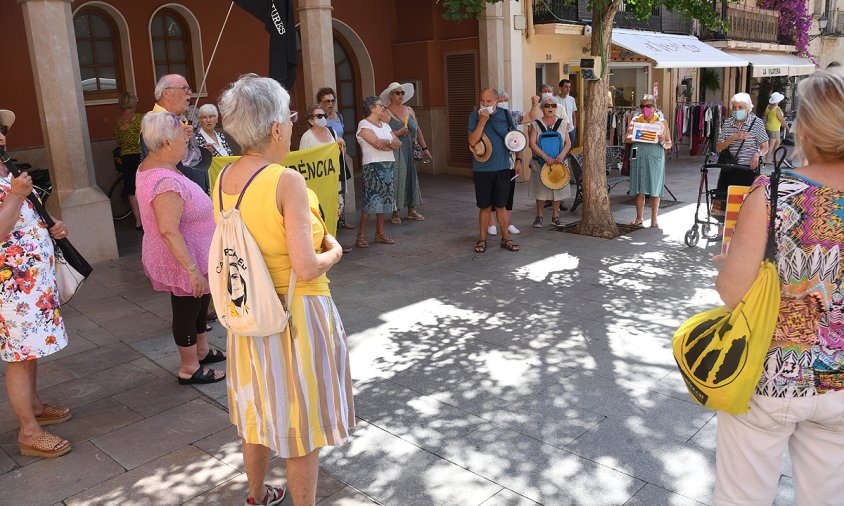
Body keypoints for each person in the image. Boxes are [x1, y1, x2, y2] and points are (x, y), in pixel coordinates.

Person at [216, 74, 353, 506]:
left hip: (248, 314)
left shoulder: (223, 178)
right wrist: (335, 249)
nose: (293, 124)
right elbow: (307, 265)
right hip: (295, 315)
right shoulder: (286, 181)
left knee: (257, 413)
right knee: (301, 423)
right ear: (276, 128)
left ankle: (256, 496)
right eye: (290, 117)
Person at [713, 69, 844, 506]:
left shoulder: (774, 192)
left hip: (770, 374)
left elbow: (733, 292)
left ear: (804, 127)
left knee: (741, 497)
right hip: (841, 381)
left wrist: (735, 264)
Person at [0, 109, 72, 459]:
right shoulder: (9, 181)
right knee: (19, 355)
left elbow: (25, 214)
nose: (1, 138)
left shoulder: (7, 169)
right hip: (10, 287)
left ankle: (36, 404)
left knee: (31, 350)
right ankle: (28, 431)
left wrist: (51, 223)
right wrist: (15, 194)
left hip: (31, 284)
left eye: (1, 131)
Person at [136, 112, 225, 386]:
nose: (186, 142)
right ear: (165, 143)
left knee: (199, 305)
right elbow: (168, 229)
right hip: (182, 257)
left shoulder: (159, 164)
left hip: (194, 252)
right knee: (186, 309)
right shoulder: (165, 181)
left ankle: (201, 350)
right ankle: (189, 367)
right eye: (181, 138)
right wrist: (192, 270)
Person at [468, 88, 520, 253]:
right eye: (482, 100)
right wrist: (482, 121)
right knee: (484, 206)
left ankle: (506, 239)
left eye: (488, 101)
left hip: (502, 168)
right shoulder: (475, 116)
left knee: (500, 205)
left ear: (497, 101)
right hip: (481, 169)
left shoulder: (506, 114)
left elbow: (515, 138)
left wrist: (518, 160)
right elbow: (472, 140)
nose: (484, 104)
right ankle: (482, 239)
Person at [141, 74, 210, 193]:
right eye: (185, 88)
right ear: (167, 93)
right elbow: (190, 162)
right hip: (177, 197)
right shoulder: (156, 124)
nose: (189, 93)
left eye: (190, 89)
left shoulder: (180, 119)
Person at [300, 104, 353, 254]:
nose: (323, 118)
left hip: (333, 180)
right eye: (319, 116)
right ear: (311, 120)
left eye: (324, 115)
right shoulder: (307, 137)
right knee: (319, 213)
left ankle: (332, 242)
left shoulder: (332, 132)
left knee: (336, 210)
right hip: (316, 183)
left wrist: (342, 146)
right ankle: (320, 243)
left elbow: (339, 155)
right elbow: (304, 159)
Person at [381, 82, 430, 224]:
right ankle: (395, 212)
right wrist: (398, 132)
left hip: (409, 148)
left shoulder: (409, 109)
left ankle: (411, 210)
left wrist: (424, 148)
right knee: (397, 179)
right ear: (390, 95)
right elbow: (383, 136)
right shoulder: (385, 113)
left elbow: (418, 129)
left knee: (411, 178)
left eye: (402, 93)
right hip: (395, 151)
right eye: (397, 93)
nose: (400, 95)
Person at [355, 96, 401, 247]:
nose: (383, 108)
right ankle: (361, 236)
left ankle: (380, 233)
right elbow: (376, 144)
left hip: (388, 165)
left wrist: (387, 142)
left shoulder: (386, 126)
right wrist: (390, 144)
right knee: (371, 200)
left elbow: (398, 143)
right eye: (380, 105)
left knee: (384, 200)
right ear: (372, 108)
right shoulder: (364, 124)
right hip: (373, 166)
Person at [625, 94, 672, 228]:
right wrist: (636, 135)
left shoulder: (661, 122)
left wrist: (662, 141)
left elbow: (669, 143)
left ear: (655, 107)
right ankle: (639, 217)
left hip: (655, 159)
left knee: (654, 188)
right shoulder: (635, 120)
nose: (645, 108)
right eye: (642, 106)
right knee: (639, 188)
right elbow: (627, 139)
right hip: (639, 157)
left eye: (648, 106)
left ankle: (654, 219)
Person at [529, 94, 572, 227]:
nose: (550, 108)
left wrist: (561, 155)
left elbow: (568, 143)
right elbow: (532, 143)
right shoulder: (536, 124)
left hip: (558, 162)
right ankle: (539, 217)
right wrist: (545, 157)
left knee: (557, 190)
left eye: (553, 106)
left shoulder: (563, 123)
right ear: (542, 108)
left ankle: (555, 216)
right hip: (540, 163)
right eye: (547, 106)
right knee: (540, 191)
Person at [715, 92, 769, 193]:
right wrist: (734, 137)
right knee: (725, 201)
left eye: (740, 107)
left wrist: (758, 154)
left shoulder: (757, 123)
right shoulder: (727, 123)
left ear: (748, 108)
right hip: (729, 168)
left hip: (748, 169)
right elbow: (718, 147)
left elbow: (765, 146)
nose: (737, 110)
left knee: (744, 200)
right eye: (734, 107)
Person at [317, 87, 354, 230]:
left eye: (333, 100)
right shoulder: (320, 118)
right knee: (331, 190)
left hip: (340, 156)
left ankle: (342, 219)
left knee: (342, 188)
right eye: (327, 101)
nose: (330, 104)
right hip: (327, 160)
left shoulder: (339, 116)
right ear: (320, 102)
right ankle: (331, 221)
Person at [113, 92, 144, 230]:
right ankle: (146, 218)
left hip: (126, 157)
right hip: (140, 156)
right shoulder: (140, 119)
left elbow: (119, 141)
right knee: (143, 187)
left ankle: (138, 220)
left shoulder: (118, 122)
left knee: (131, 189)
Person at [765, 92, 786, 164]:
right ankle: (767, 160)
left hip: (769, 127)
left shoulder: (768, 107)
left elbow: (766, 117)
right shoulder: (777, 109)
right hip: (775, 129)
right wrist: (787, 127)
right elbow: (782, 119)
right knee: (772, 145)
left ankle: (776, 157)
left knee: (777, 142)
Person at [556, 79, 578, 147]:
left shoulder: (571, 99)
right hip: (559, 130)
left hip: (571, 129)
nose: (568, 89)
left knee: (570, 149)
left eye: (569, 87)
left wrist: (574, 127)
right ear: (560, 88)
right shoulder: (554, 100)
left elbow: (573, 114)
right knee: (561, 148)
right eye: (566, 87)